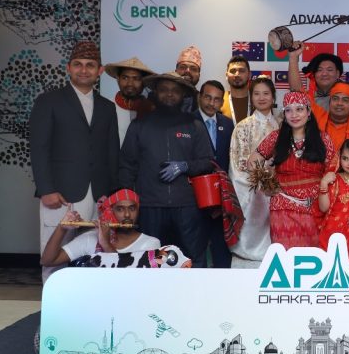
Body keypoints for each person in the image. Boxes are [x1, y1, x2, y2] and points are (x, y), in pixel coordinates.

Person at [29, 40, 119, 281]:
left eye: (90, 65)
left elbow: (112, 152)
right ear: (68, 68)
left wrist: (111, 194)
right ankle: (53, 301)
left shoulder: (107, 107)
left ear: (100, 71)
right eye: (78, 64)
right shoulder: (49, 101)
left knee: (94, 251)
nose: (84, 70)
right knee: (54, 254)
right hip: (61, 194)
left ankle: (88, 301)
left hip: (99, 195)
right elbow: (39, 148)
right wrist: (46, 189)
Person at [119, 71, 214, 268]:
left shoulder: (194, 125)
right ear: (155, 93)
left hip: (187, 206)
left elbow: (208, 162)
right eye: (164, 90)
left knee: (193, 259)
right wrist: (126, 200)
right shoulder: (139, 125)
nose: (169, 94)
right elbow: (127, 165)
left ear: (183, 95)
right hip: (150, 206)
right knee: (149, 261)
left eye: (175, 91)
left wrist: (185, 166)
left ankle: (196, 289)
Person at [249, 91, 335, 249]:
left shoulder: (323, 139)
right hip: (283, 205)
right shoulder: (276, 137)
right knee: (286, 256)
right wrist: (266, 181)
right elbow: (252, 161)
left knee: (314, 258)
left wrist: (325, 184)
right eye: (288, 110)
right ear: (284, 114)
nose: (294, 115)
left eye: (299, 109)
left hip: (315, 207)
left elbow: (333, 168)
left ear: (308, 112)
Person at [229, 76, 280, 266]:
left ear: (273, 97)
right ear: (251, 97)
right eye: (257, 94)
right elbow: (238, 163)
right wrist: (262, 181)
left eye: (266, 93)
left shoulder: (282, 125)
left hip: (279, 189)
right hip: (253, 190)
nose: (261, 98)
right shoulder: (243, 126)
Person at [40, 189, 161, 267]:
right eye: (120, 209)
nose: (127, 215)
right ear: (110, 212)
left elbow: (126, 279)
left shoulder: (151, 243)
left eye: (132, 208)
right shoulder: (90, 238)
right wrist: (62, 228)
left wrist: (106, 244)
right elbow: (47, 261)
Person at [196, 79, 234, 268]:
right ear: (199, 97)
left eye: (217, 99)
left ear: (222, 102)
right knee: (196, 248)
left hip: (221, 198)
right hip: (195, 197)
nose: (212, 103)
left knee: (222, 249)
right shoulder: (187, 121)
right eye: (208, 97)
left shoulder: (227, 124)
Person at [311, 81, 349, 168]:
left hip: (345, 174)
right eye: (335, 98)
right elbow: (297, 91)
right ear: (329, 102)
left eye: (345, 100)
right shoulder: (317, 117)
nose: (339, 103)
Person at [104, 56, 154, 144]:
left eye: (136, 79)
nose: (130, 84)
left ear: (144, 82)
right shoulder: (106, 107)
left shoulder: (152, 109)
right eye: (125, 78)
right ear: (118, 79)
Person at [220, 56, 252, 124]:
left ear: (249, 75)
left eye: (242, 71)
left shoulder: (258, 100)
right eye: (233, 71)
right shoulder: (219, 99)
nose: (237, 74)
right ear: (226, 75)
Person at [174, 45, 203, 113]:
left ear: (199, 76)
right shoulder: (159, 97)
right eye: (183, 67)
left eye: (193, 69)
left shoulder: (205, 103)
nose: (187, 71)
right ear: (175, 72)